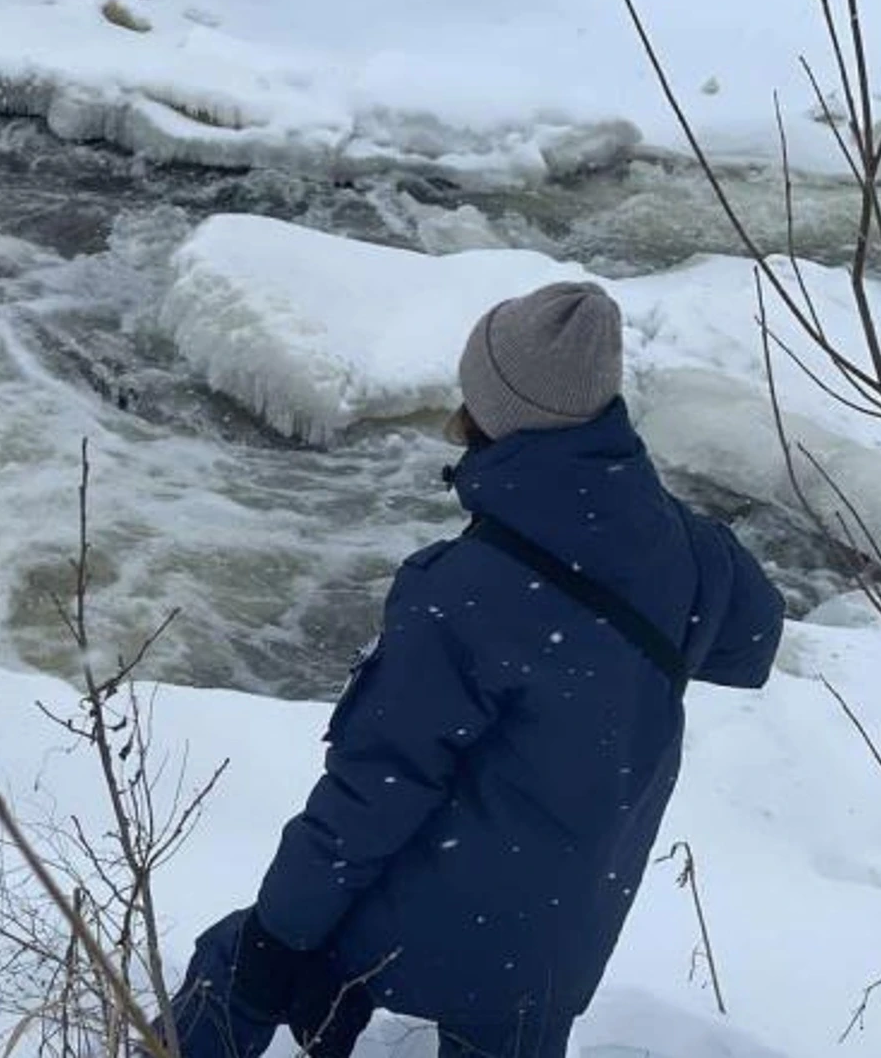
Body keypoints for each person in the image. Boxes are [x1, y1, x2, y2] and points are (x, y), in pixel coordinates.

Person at [160, 282, 784, 1057]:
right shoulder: (687, 547)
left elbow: (372, 794)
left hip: (443, 914)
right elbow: (754, 636)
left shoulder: (460, 592)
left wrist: (281, 940)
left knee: (237, 964)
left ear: (496, 409)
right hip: (564, 928)